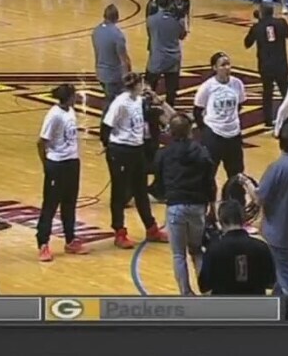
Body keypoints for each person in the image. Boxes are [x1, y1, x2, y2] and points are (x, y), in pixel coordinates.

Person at [239, 125, 288, 295]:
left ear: (280, 144)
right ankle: (275, 303)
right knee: (283, 272)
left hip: (279, 235)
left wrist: (246, 183)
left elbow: (259, 198)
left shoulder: (277, 168)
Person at [102, 72, 172, 248]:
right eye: (142, 84)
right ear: (137, 85)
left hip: (137, 149)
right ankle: (119, 231)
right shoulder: (120, 103)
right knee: (119, 193)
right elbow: (106, 127)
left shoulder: (139, 101)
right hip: (121, 150)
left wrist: (157, 103)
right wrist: (109, 146)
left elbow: (158, 117)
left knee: (141, 190)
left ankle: (151, 228)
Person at [154, 113, 218, 295]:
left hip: (175, 205)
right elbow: (210, 182)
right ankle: (207, 290)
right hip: (197, 206)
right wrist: (212, 206)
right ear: (190, 131)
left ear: (170, 132)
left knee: (178, 254)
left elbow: (158, 183)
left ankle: (186, 293)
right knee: (197, 250)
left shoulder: (164, 154)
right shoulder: (202, 152)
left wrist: (166, 195)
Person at [36, 84, 90, 262]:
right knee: (50, 206)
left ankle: (70, 239)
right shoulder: (54, 115)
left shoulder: (70, 111)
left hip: (72, 162)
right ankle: (43, 243)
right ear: (69, 97)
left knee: (70, 203)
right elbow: (41, 142)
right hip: (57, 164)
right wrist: (46, 164)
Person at [197, 200, 276, 295]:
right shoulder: (261, 247)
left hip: (224, 303)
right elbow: (271, 282)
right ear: (243, 220)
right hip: (255, 302)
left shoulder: (213, 249)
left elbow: (204, 286)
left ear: (221, 222)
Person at [194, 52, 248, 181]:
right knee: (208, 173)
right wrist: (206, 130)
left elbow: (239, 105)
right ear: (214, 68)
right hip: (214, 134)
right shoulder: (207, 87)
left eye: (228, 64)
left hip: (234, 134)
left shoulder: (237, 83)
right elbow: (197, 111)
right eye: (223, 65)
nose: (227, 67)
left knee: (237, 174)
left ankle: (235, 195)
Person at [244, 3, 288, 127]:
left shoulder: (257, 27)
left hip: (266, 65)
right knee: (286, 91)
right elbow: (287, 34)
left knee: (267, 93)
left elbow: (247, 43)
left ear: (260, 13)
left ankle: (268, 120)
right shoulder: (281, 23)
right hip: (281, 63)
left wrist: (256, 26)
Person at [91, 4, 131, 149]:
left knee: (109, 102)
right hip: (114, 75)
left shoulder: (95, 31)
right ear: (117, 17)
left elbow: (97, 53)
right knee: (112, 105)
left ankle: (108, 132)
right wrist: (128, 77)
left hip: (100, 72)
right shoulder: (117, 35)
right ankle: (106, 134)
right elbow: (124, 59)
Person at [146, 0, 188, 106]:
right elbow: (182, 36)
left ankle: (147, 110)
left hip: (157, 59)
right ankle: (170, 113)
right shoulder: (179, 20)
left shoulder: (151, 19)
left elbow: (150, 34)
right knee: (171, 92)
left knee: (149, 89)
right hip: (173, 59)